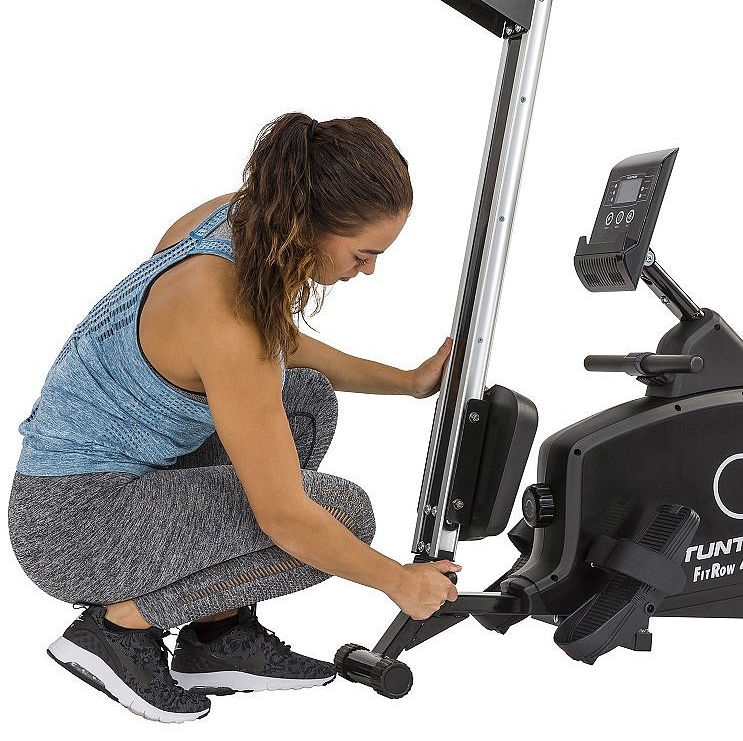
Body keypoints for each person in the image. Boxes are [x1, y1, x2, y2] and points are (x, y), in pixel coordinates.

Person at [7, 112, 461, 722]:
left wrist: (406, 382)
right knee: (344, 518)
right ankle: (116, 632)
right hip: (73, 528)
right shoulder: (226, 318)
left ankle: (217, 637)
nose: (369, 270)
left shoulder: (238, 217)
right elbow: (283, 514)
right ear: (306, 225)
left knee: (304, 398)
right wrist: (398, 582)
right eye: (363, 254)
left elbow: (269, 349)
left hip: (112, 489)